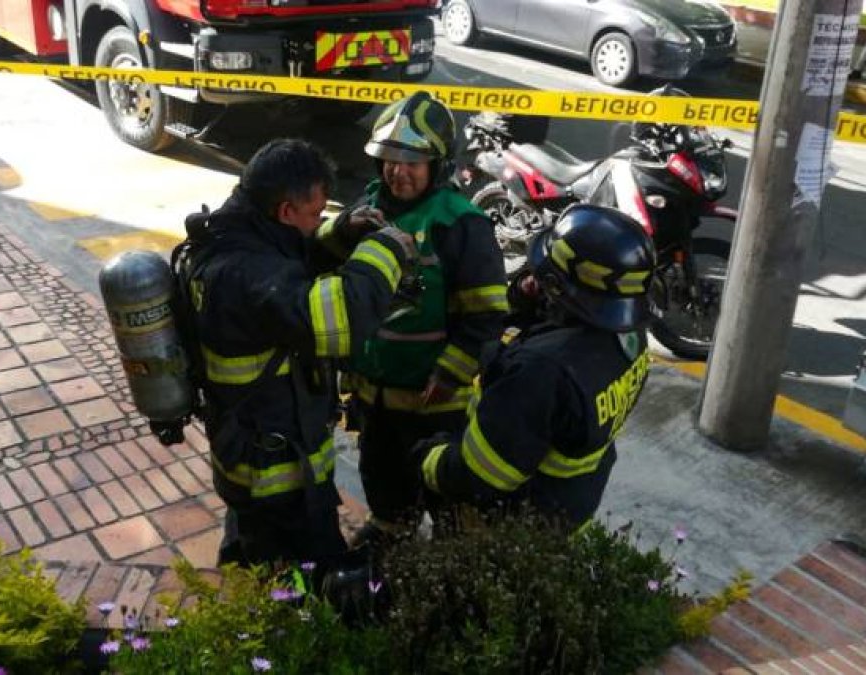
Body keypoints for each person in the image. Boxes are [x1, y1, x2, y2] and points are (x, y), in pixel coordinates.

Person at [183, 138, 417, 567]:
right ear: (285, 211)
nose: (316, 223)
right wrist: (386, 250)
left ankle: (241, 577)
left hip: (247, 451)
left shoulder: (235, 230)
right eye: (314, 215)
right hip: (277, 473)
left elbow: (291, 260)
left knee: (249, 542)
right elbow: (340, 317)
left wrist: (341, 232)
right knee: (311, 568)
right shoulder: (246, 275)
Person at [328, 92, 508, 544]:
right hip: (374, 397)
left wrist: (451, 371)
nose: (397, 171)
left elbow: (486, 316)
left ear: (438, 164)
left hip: (434, 405)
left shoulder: (461, 224)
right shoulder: (369, 204)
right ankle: (390, 532)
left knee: (446, 496)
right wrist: (342, 229)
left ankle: (451, 556)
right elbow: (322, 255)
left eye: (412, 160)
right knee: (382, 476)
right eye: (389, 158)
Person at [414, 204, 656, 531]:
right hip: (570, 505)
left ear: (560, 288)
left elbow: (481, 477)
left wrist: (429, 459)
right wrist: (529, 305)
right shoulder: (630, 337)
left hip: (511, 526)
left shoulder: (540, 371)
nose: (534, 279)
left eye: (546, 278)